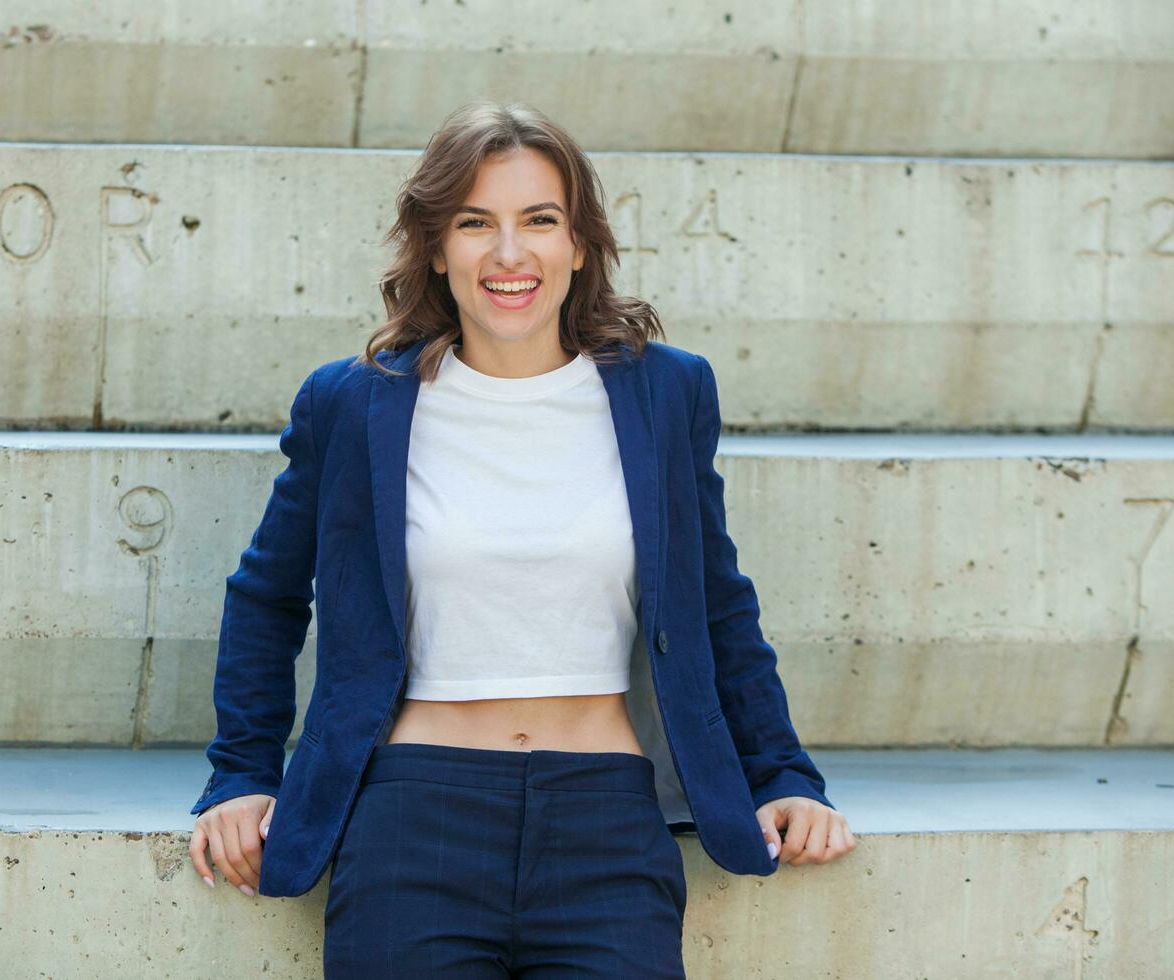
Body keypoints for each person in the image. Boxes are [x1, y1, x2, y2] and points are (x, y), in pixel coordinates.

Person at [188, 101, 856, 977]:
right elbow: (268, 596)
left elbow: (716, 602)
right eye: (475, 224)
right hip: (410, 819)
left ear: (580, 244)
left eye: (539, 221)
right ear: (436, 246)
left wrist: (784, 778)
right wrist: (242, 775)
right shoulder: (352, 404)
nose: (510, 254)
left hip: (608, 825)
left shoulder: (667, 394)